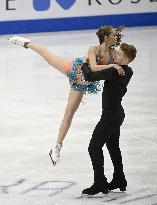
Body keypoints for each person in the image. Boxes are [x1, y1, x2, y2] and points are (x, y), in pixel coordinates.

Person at [8, 26, 124, 166]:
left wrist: (119, 65)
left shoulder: (114, 53)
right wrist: (112, 66)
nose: (116, 37)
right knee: (46, 55)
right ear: (106, 37)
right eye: (114, 35)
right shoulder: (93, 48)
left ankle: (57, 146)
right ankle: (26, 42)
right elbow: (93, 67)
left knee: (70, 113)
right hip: (74, 71)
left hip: (83, 83)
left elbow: (123, 62)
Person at [81, 43, 137, 195]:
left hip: (110, 116)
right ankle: (120, 178)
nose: (114, 55)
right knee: (112, 147)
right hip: (116, 114)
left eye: (118, 54)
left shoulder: (114, 71)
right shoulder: (127, 70)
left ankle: (100, 183)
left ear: (125, 58)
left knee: (93, 147)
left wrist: (85, 64)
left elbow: (90, 76)